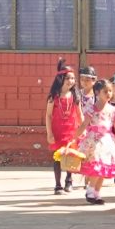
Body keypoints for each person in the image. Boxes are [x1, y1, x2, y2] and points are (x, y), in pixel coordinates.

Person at [74, 79, 115, 205]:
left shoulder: (113, 109)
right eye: (106, 91)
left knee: (104, 167)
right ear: (97, 92)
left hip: (108, 140)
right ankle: (90, 190)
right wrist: (74, 137)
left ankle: (96, 193)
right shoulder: (91, 109)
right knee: (97, 165)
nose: (109, 94)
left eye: (110, 91)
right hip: (94, 141)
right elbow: (84, 125)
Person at [45, 59, 82, 194]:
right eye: (68, 78)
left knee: (71, 156)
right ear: (61, 79)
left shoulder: (75, 96)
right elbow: (48, 115)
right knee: (57, 157)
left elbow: (80, 114)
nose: (71, 81)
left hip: (72, 131)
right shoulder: (53, 97)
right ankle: (58, 185)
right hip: (57, 131)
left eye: (73, 78)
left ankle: (69, 180)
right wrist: (49, 133)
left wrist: (83, 130)